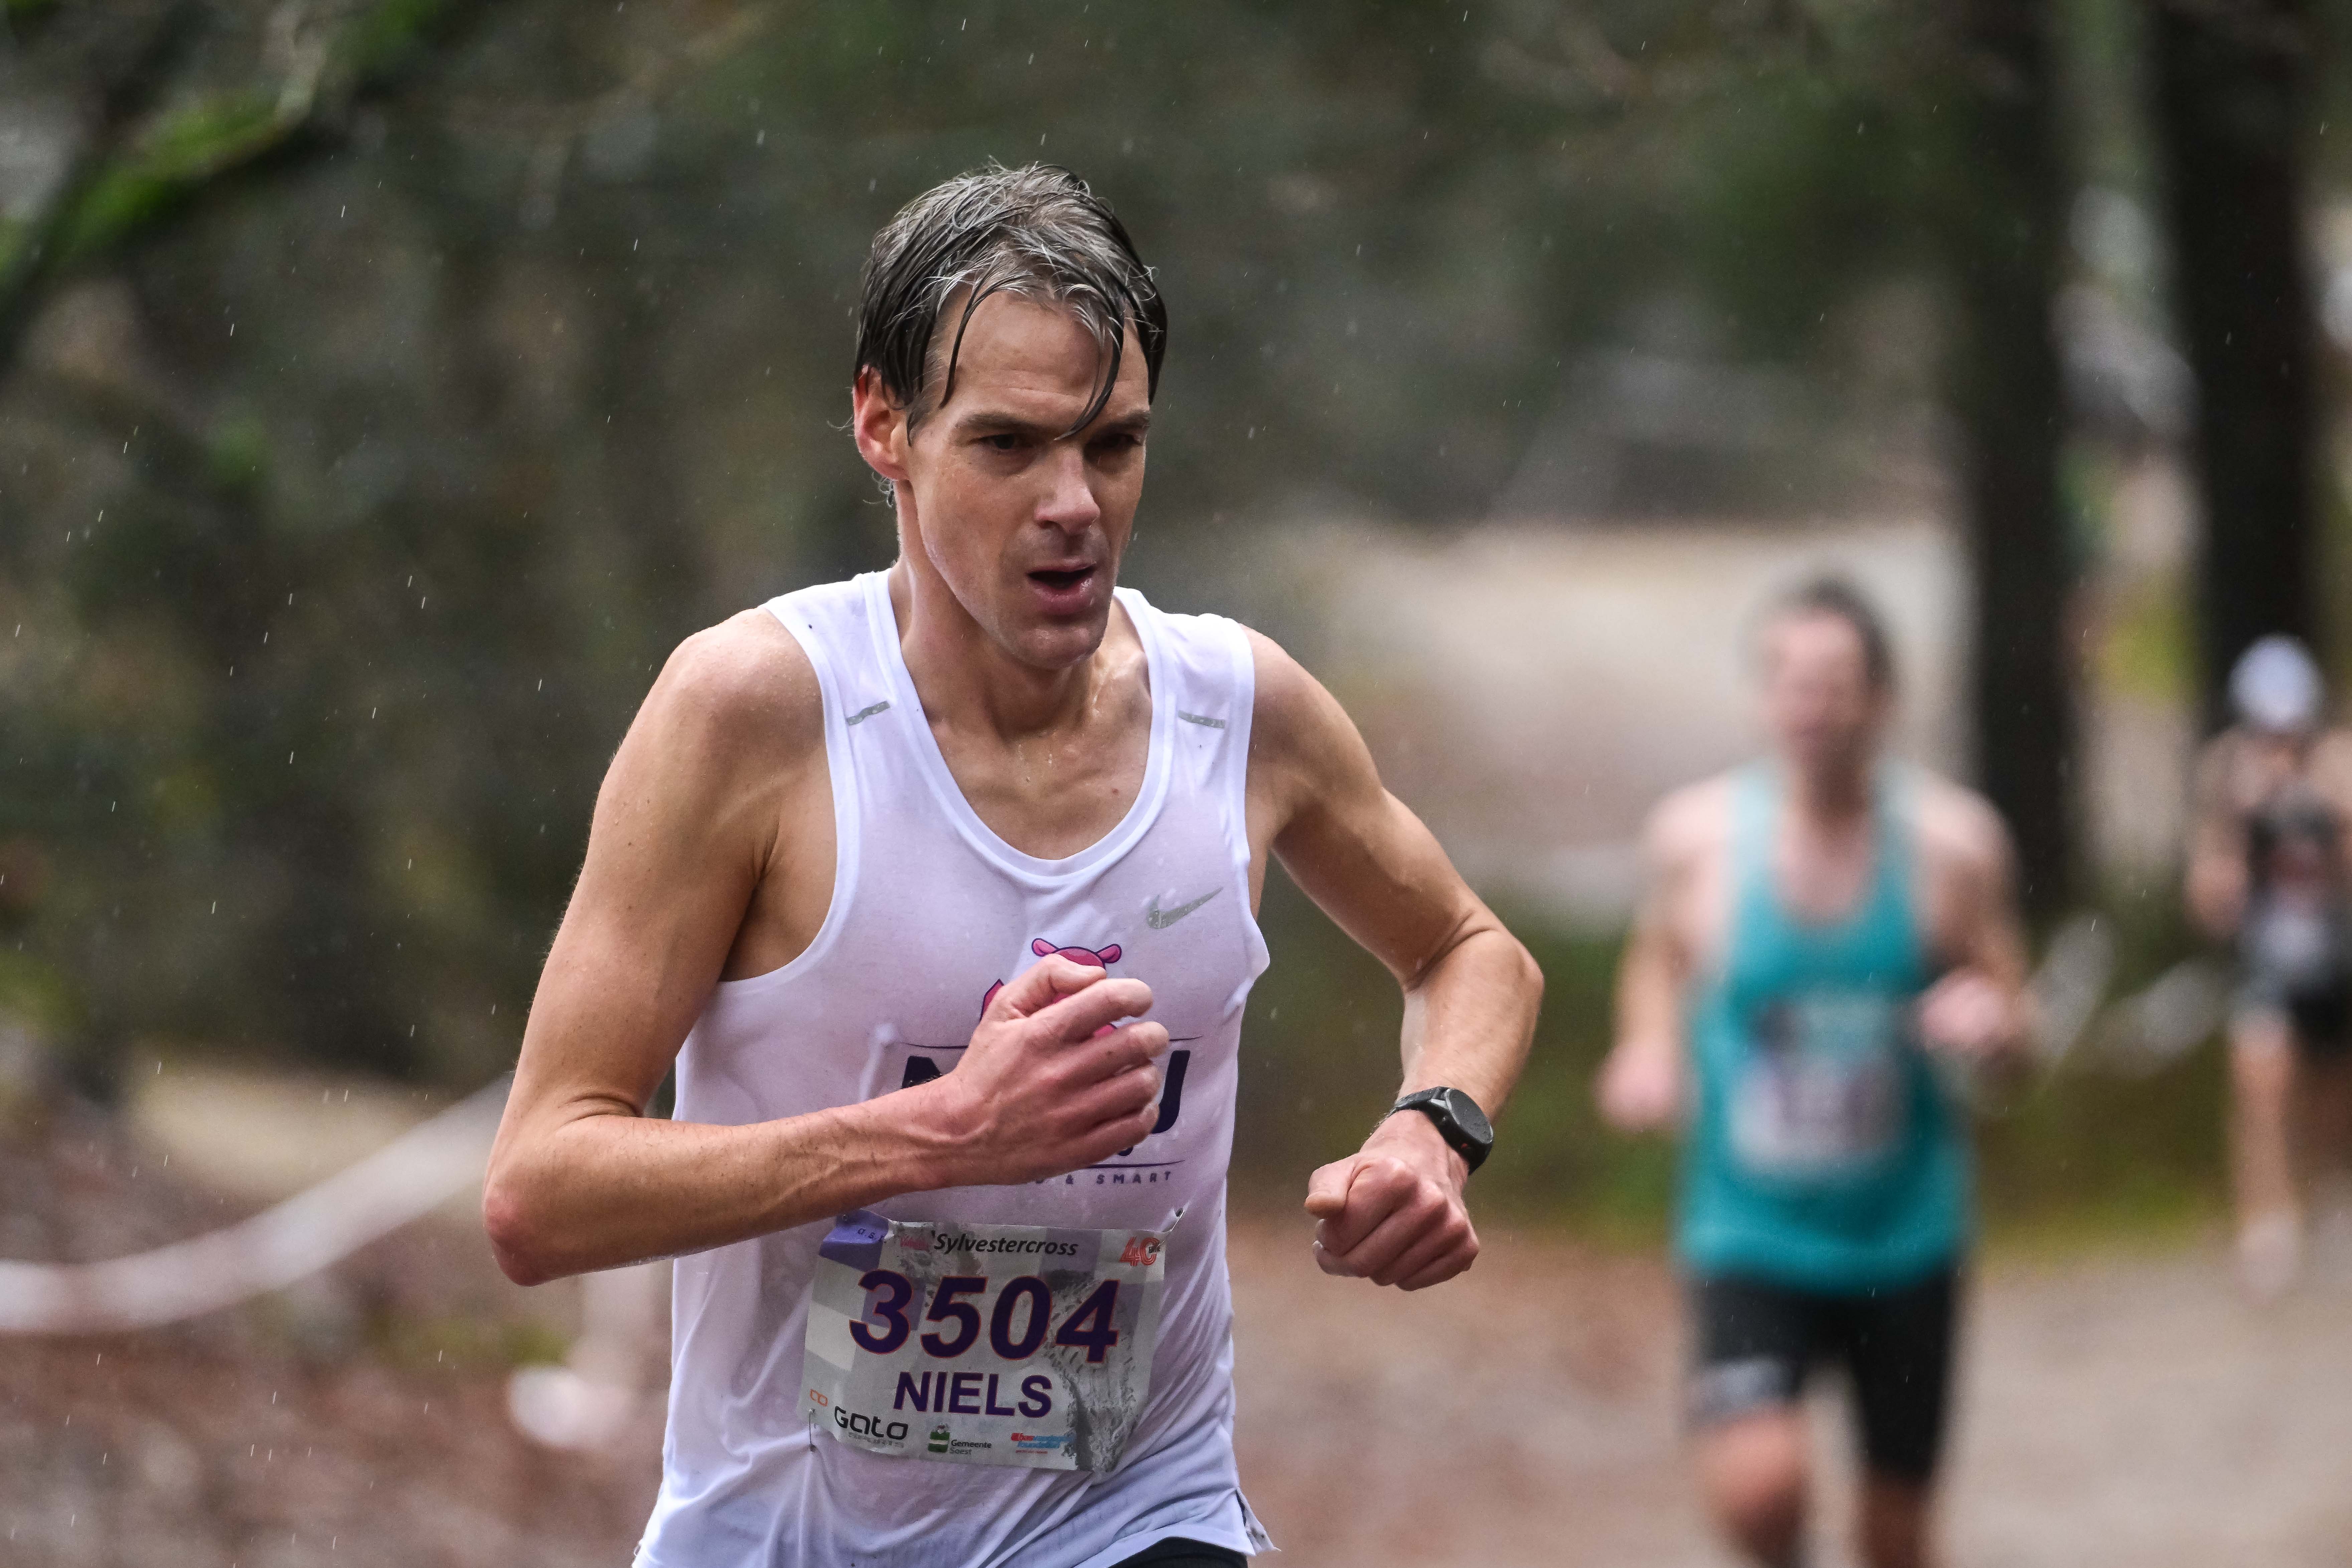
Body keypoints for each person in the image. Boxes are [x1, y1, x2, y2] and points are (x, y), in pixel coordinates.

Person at [480, 163, 1542, 1568]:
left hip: (1133, 1512)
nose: (1073, 504)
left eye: (1112, 445)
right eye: (1007, 445)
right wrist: (942, 1133)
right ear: (883, 425)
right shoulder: (756, 714)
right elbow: (539, 1193)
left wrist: (1431, 1129)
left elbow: (1468, 949)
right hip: (785, 1533)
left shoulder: (1239, 713)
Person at [1594, 578, 2031, 1568]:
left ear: (1881, 699)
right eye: (1788, 680)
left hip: (1905, 1236)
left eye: (1834, 682)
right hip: (1749, 1230)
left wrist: (1991, 1021)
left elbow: (2017, 1027)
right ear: (1762, 696)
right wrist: (1648, 1047)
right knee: (1760, 1492)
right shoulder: (1697, 837)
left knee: (1895, 1536)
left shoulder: (1952, 845)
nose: (1810, 705)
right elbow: (1655, 957)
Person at [2185, 633, 2352, 1298]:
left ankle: (2328, 1200)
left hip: (2334, 960)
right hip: (2266, 963)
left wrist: (2326, 817)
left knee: (2332, 1101)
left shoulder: (2338, 767)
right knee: (2258, 1082)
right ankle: (2267, 1222)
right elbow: (2206, 899)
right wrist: (2238, 828)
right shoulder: (2225, 774)